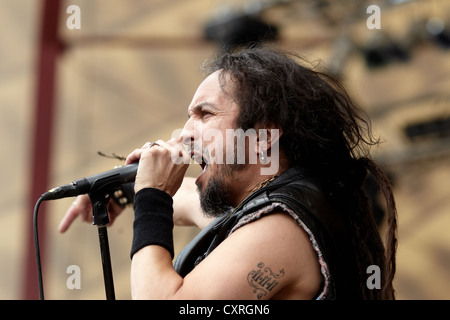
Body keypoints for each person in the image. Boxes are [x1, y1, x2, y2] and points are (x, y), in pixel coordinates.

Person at [59, 46, 398, 300]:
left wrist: (151, 197)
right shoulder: (281, 208)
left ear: (264, 137)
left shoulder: (281, 227)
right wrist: (127, 188)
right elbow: (190, 200)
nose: (183, 133)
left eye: (204, 114)